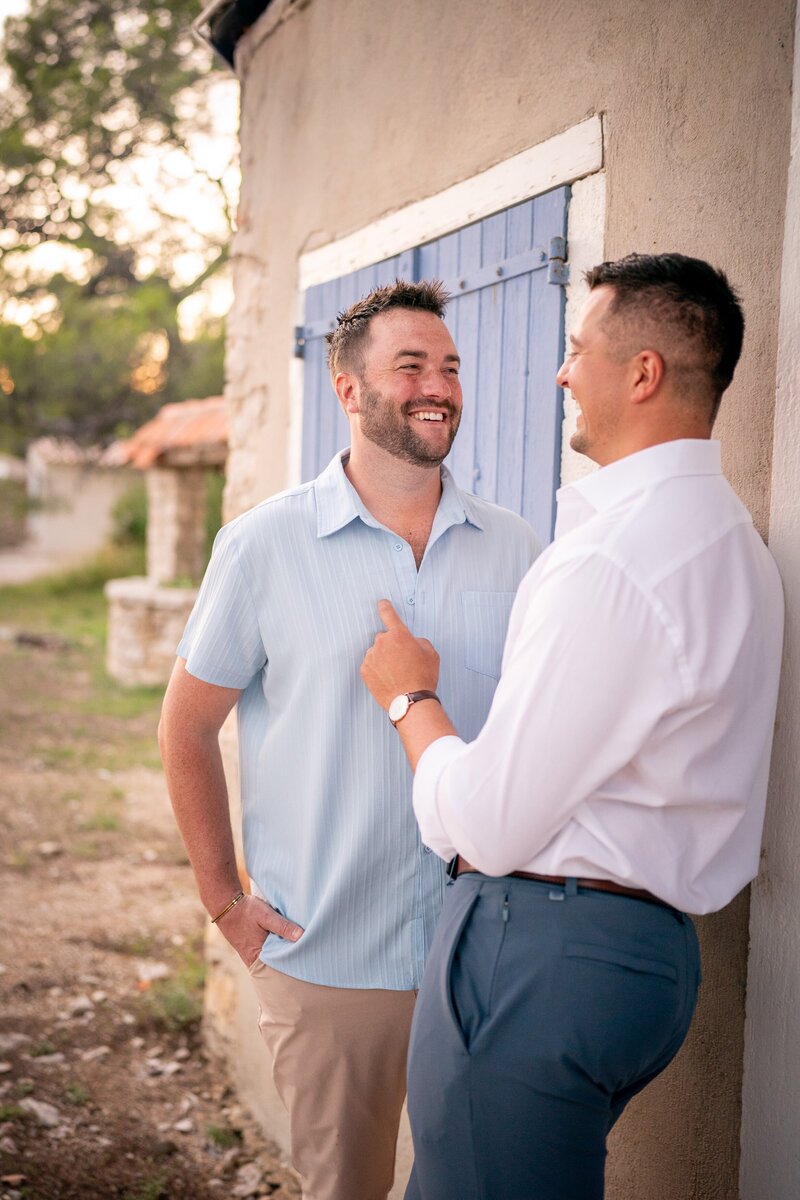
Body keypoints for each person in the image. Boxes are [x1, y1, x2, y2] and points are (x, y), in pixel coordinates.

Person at [360, 253, 785, 1200]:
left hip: (540, 953)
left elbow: (491, 820)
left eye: (576, 349)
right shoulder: (732, 543)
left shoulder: (613, 558)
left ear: (643, 374)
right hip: (646, 962)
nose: (559, 373)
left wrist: (409, 699)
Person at [158, 278, 539, 1200]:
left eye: (449, 368)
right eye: (409, 366)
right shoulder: (263, 546)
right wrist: (223, 898)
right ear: (348, 388)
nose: (437, 386)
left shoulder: (520, 548)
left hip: (485, 955)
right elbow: (187, 726)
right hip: (330, 958)